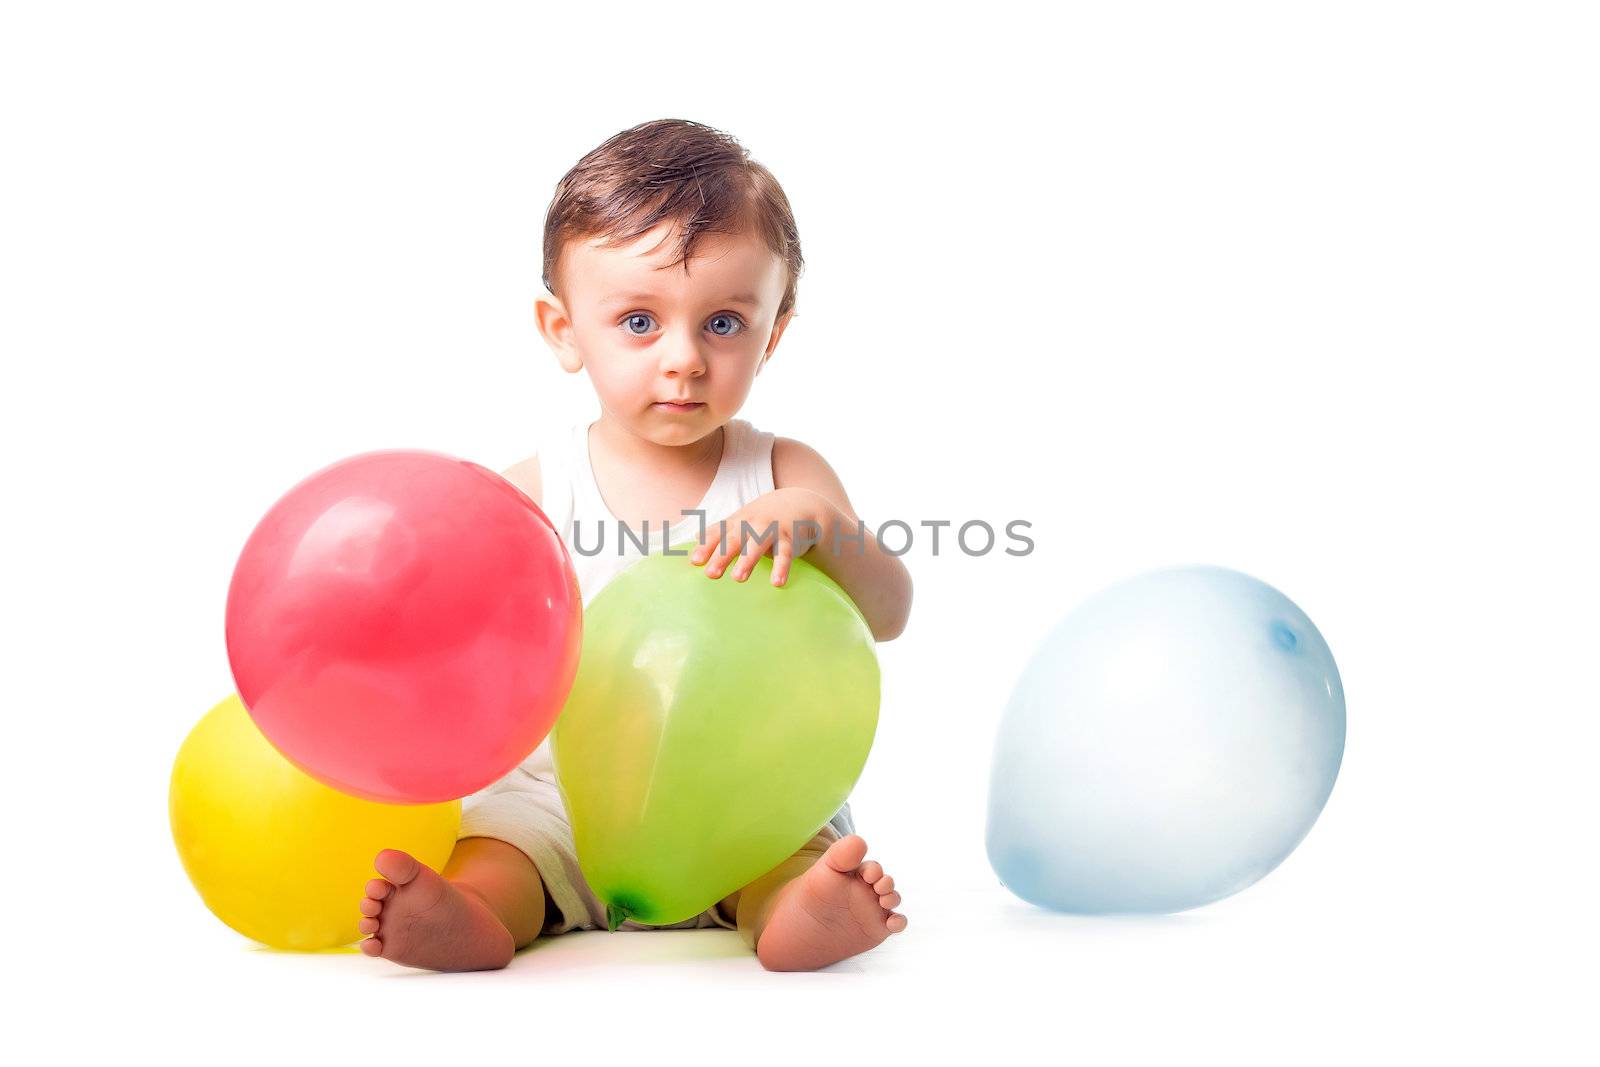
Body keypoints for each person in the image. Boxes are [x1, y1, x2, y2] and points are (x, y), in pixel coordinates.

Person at [357, 118, 913, 972]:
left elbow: (888, 614)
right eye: (639, 321)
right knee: (505, 842)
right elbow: (459, 641)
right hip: (567, 793)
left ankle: (798, 908)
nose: (685, 359)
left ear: (774, 334)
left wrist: (818, 522)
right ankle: (471, 913)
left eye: (725, 323)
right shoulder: (534, 489)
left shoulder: (785, 472)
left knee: (788, 849)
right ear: (563, 330)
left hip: (748, 793)